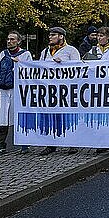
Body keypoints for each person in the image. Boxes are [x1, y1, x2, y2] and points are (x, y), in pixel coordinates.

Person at [39, 27, 81, 156]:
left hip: (66, 90)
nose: (50, 37)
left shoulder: (71, 50)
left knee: (67, 116)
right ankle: (51, 144)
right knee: (50, 117)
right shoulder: (45, 52)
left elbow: (78, 68)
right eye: (49, 35)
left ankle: (72, 143)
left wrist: (63, 64)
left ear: (61, 36)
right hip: (50, 90)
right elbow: (39, 68)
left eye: (53, 35)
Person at [0, 31, 33, 156]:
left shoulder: (25, 54)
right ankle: (0, 145)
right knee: (3, 118)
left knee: (19, 115)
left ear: (18, 41)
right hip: (5, 90)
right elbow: (0, 70)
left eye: (12, 39)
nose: (9, 41)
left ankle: (24, 143)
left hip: (18, 90)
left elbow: (30, 71)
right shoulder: (3, 54)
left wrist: (18, 64)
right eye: (8, 39)